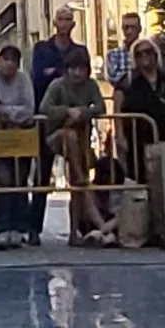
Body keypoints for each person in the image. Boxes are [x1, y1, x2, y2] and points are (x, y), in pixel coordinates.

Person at [0, 41, 44, 249]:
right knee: (3, 180)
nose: (9, 64)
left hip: (21, 138)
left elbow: (29, 107)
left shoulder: (23, 79)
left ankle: (18, 228)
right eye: (5, 59)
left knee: (20, 180)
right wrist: (13, 112)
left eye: (13, 60)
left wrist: (4, 111)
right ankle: (1, 228)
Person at [42, 46, 107, 243]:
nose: (78, 73)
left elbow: (101, 106)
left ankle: (73, 232)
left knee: (77, 189)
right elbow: (44, 107)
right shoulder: (57, 85)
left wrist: (83, 112)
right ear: (67, 69)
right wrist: (67, 112)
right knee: (69, 138)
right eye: (74, 68)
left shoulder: (91, 85)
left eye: (82, 69)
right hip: (56, 137)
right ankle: (79, 175)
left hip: (82, 140)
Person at [117, 37, 165, 169]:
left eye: (148, 51)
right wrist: (119, 135)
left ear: (155, 54)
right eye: (139, 54)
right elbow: (118, 107)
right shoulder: (129, 80)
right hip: (137, 138)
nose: (144, 56)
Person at [30, 6, 83, 95]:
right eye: (60, 19)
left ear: (73, 24)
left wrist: (53, 71)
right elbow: (38, 78)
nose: (64, 23)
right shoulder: (41, 49)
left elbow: (82, 79)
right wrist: (66, 73)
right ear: (54, 23)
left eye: (67, 19)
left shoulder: (80, 51)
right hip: (45, 103)